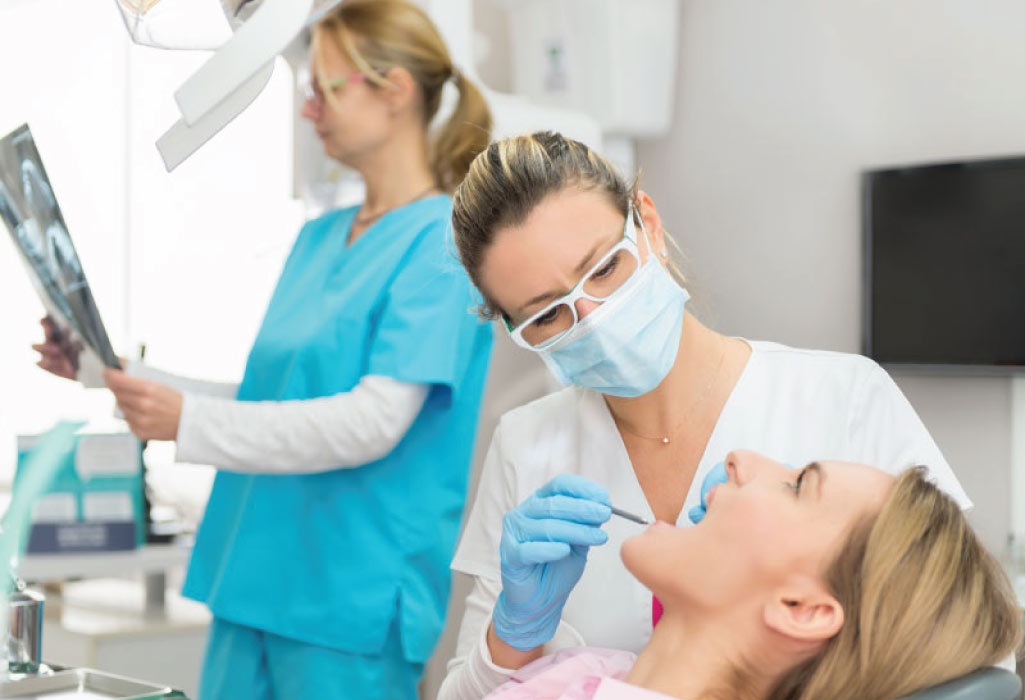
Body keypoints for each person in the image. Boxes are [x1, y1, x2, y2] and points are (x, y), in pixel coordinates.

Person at [34, 2, 493, 698]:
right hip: (252, 581)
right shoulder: (320, 237)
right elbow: (266, 401)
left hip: (347, 605)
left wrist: (185, 421)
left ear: (394, 90)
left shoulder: (441, 246)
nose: (309, 109)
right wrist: (108, 373)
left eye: (324, 88)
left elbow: (370, 422)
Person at [438, 131, 972, 699]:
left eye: (605, 268)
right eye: (547, 316)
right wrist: (513, 634)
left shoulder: (845, 396)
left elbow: (965, 653)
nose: (593, 319)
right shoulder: (526, 444)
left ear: (648, 224)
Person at [483, 451, 1022, 700]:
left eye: (796, 485)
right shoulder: (587, 672)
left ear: (800, 608)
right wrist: (513, 637)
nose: (739, 459)